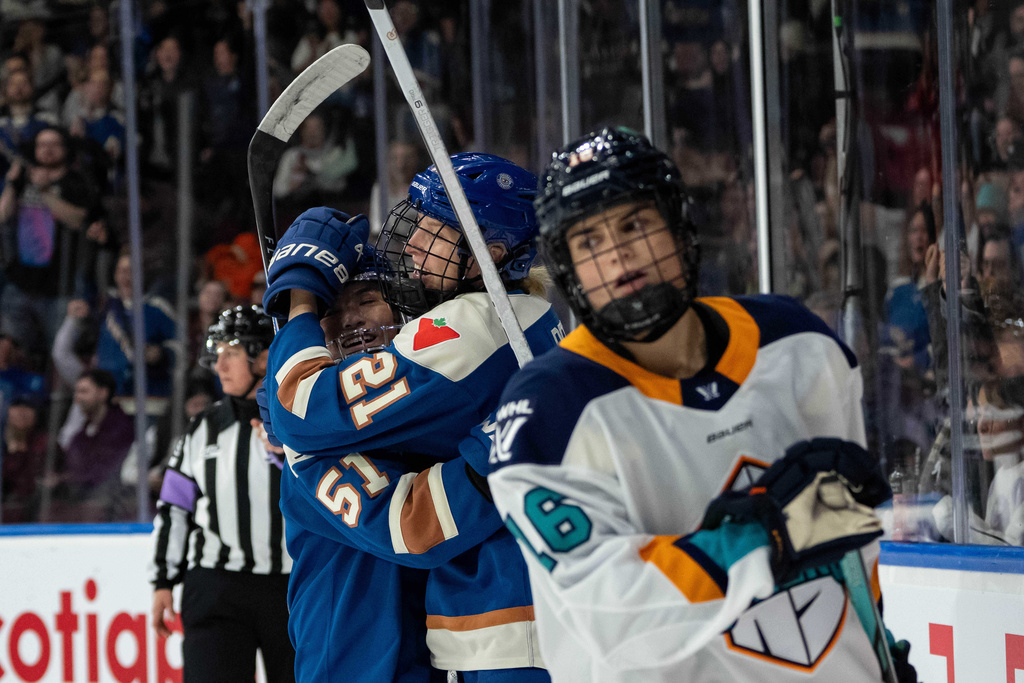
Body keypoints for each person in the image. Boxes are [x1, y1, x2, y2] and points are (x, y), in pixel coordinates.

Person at [486, 127, 915, 682]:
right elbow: (615, 616)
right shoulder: (548, 414)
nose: (619, 257)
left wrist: (882, 652)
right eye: (589, 242)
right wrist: (765, 536)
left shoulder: (798, 345)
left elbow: (850, 543)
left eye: (635, 224)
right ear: (567, 266)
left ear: (677, 224)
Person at [261, 154, 561, 681]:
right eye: (332, 311)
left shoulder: (460, 346)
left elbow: (303, 406)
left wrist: (301, 301)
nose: (350, 318)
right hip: (358, 668)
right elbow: (409, 521)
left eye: (368, 299)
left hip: (496, 638)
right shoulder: (317, 443)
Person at [149, 305, 294, 683]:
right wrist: (163, 581)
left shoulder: (301, 421)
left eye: (231, 353)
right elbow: (174, 508)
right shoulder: (202, 427)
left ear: (263, 357)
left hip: (293, 588)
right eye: (218, 355)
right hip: (217, 587)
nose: (219, 366)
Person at [50, 368, 135, 521]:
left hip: (110, 504)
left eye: (84, 392)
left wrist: (65, 479)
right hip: (83, 498)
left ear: (103, 393)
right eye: (76, 392)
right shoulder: (82, 434)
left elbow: (105, 474)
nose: (78, 398)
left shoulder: (121, 429)